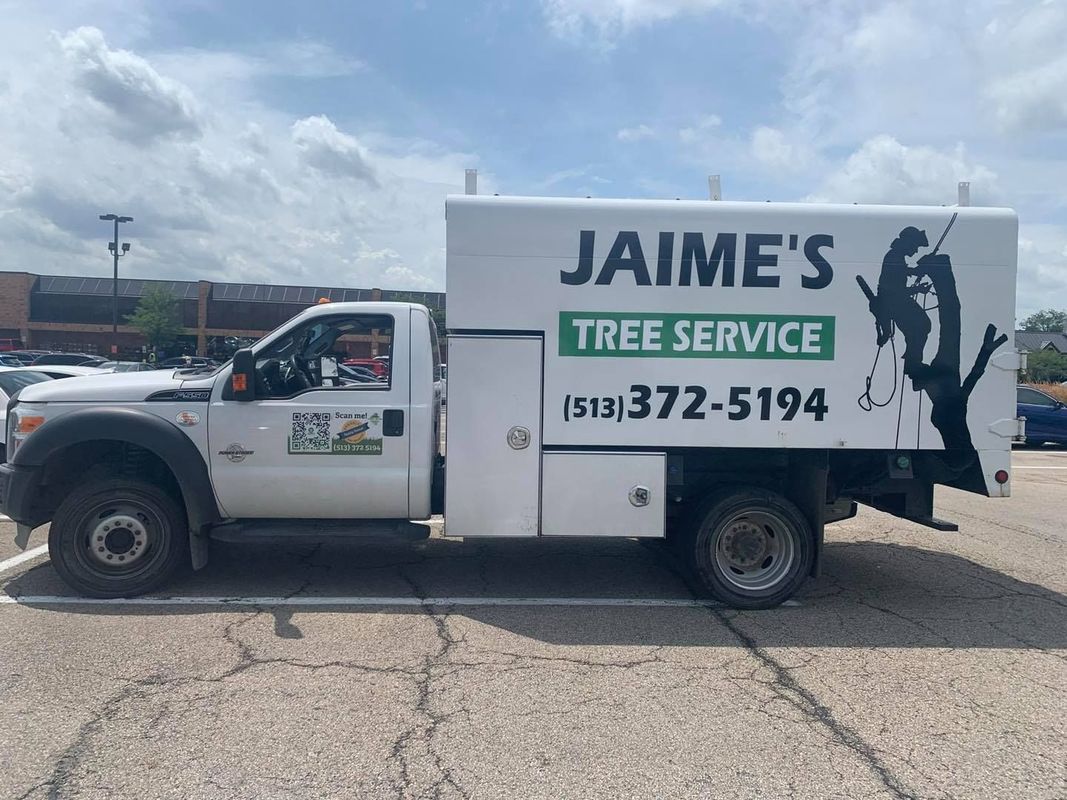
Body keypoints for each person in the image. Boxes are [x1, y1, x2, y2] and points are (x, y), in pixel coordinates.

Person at [870, 226, 934, 379]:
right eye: (915, 246)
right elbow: (895, 291)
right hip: (893, 304)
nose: (916, 251)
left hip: (895, 302)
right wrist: (917, 289)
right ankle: (913, 365)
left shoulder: (896, 257)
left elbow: (905, 272)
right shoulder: (894, 257)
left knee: (918, 328)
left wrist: (917, 272)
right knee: (922, 325)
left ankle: (912, 363)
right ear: (908, 243)